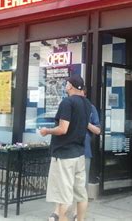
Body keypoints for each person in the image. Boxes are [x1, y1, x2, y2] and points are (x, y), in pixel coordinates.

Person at [40, 75, 91, 221]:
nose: (65, 85)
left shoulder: (67, 102)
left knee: (64, 197)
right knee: (81, 195)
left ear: (70, 86)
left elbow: (63, 129)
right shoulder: (87, 104)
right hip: (79, 154)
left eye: (67, 83)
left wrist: (46, 131)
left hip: (64, 156)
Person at [52, 90, 101, 220]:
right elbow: (62, 127)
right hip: (67, 150)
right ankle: (57, 212)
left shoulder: (91, 108)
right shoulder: (68, 105)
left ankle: (76, 214)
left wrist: (86, 122)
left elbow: (98, 130)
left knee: (80, 186)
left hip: (83, 152)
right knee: (63, 184)